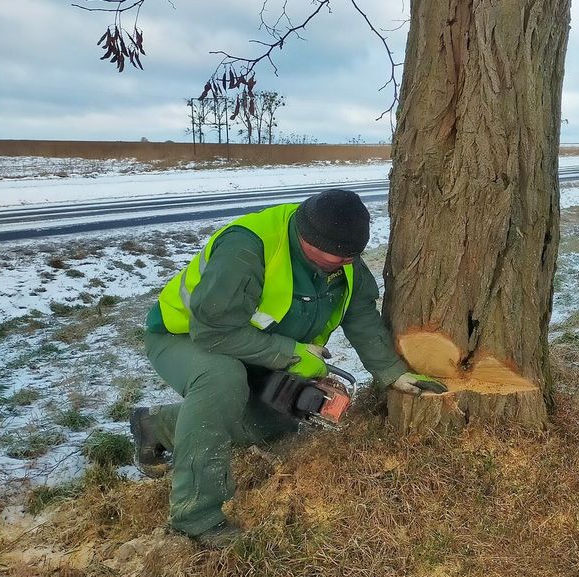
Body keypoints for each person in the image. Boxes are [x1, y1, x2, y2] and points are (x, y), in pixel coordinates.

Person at [129, 189, 439, 548]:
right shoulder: (248, 248)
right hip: (185, 336)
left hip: (254, 345)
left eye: (347, 258)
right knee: (222, 380)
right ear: (305, 235)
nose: (339, 263)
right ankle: (196, 516)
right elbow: (212, 332)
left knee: (282, 414)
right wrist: (290, 354)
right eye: (329, 256)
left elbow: (361, 316)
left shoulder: (343, 261)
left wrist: (392, 372)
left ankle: (156, 426)